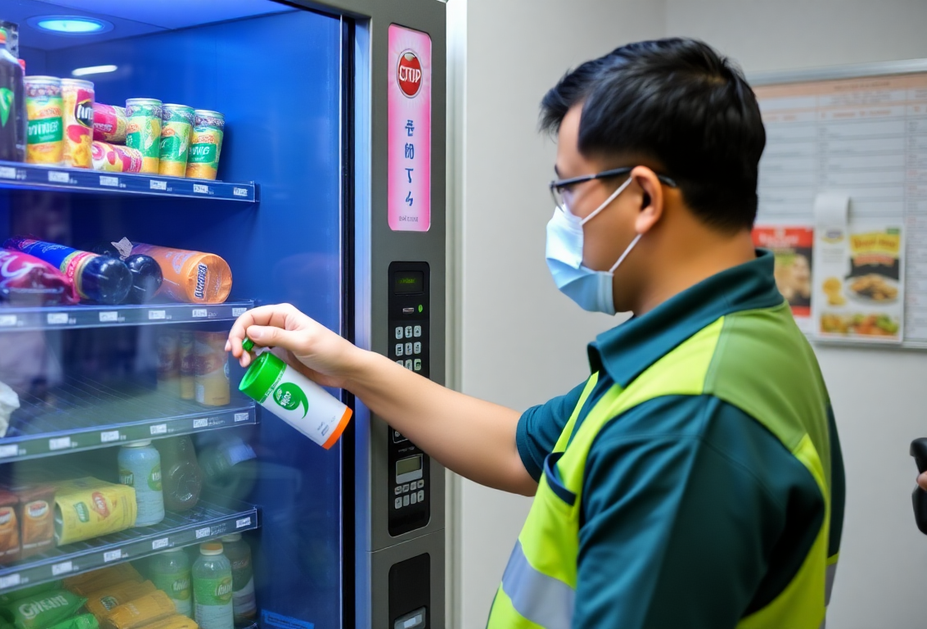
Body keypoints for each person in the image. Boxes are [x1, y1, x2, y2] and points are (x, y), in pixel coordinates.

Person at [227, 38, 845, 629]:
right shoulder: (732, 342)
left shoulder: (689, 422)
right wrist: (349, 364)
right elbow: (522, 448)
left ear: (643, 199)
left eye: (568, 190)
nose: (562, 219)